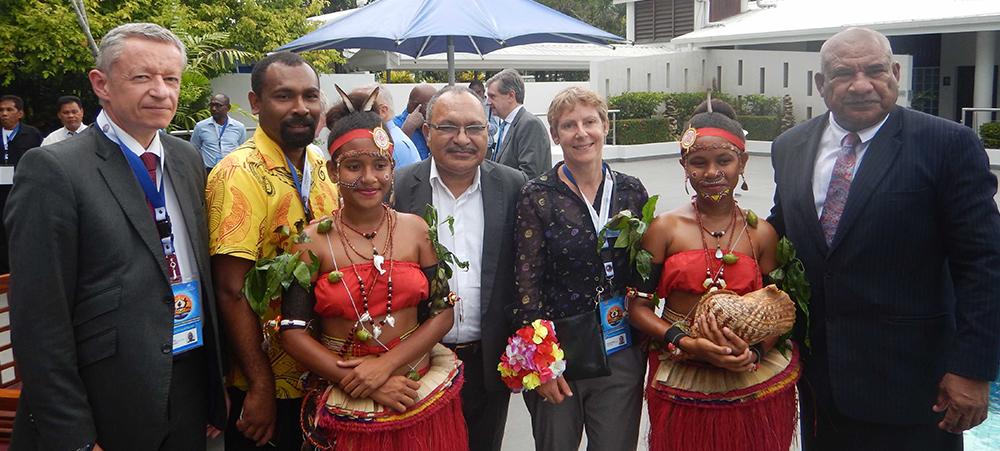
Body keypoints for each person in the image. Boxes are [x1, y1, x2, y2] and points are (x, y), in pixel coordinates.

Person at [769, 27, 1000, 451]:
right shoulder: (791, 147)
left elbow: (984, 263)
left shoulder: (947, 144)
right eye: (843, 74)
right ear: (821, 85)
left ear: (895, 72)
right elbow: (780, 236)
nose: (861, 85)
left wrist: (972, 369)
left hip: (916, 387)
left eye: (875, 70)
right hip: (822, 382)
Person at [4, 22, 226, 450]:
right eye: (143, 77)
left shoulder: (185, 158)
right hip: (106, 397)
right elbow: (38, 320)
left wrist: (215, 393)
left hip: (188, 382)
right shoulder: (54, 169)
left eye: (171, 78)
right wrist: (73, 436)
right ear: (101, 84)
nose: (161, 91)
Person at [279, 87, 466, 450]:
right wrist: (368, 381)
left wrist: (387, 365)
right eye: (353, 166)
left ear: (392, 168)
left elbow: (443, 313)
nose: (369, 178)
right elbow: (292, 332)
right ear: (333, 170)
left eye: (380, 165)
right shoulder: (310, 241)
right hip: (349, 399)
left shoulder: (417, 230)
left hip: (417, 392)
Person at [627, 98, 797, 451]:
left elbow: (781, 311)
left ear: (743, 163)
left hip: (748, 374)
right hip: (680, 364)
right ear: (684, 165)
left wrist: (753, 352)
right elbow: (637, 308)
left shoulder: (762, 234)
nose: (711, 172)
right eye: (698, 162)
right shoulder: (664, 228)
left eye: (724, 160)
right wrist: (685, 341)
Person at [206, 51, 339, 451]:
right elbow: (231, 290)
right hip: (267, 384)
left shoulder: (320, 163)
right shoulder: (236, 174)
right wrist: (260, 386)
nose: (301, 108)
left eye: (310, 96)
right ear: (255, 103)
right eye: (284, 96)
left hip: (323, 374)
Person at [511, 87, 647, 451]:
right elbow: (526, 284)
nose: (581, 132)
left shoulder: (631, 191)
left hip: (620, 347)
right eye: (568, 125)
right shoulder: (537, 195)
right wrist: (540, 366)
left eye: (590, 122)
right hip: (558, 353)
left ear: (605, 126)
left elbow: (644, 272)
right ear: (555, 134)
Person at [394, 86, 527, 451]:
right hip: (417, 362)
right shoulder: (401, 188)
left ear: (489, 132)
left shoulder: (513, 185)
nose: (463, 140)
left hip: (488, 362)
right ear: (426, 133)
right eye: (448, 128)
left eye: (475, 128)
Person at [485, 69, 551, 180]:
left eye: (492, 96)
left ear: (511, 96)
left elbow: (530, 175)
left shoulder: (530, 125)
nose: (488, 102)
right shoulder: (505, 125)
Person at [352, 84, 420, 168]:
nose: (353, 116)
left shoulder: (395, 145)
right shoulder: (383, 140)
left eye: (361, 109)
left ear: (383, 111)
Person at [191, 93, 248, 173]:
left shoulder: (239, 127)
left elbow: (242, 150)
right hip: (208, 171)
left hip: (231, 171)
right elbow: (194, 149)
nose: (214, 109)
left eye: (218, 105)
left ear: (228, 108)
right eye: (212, 105)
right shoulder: (201, 126)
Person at [392, 83, 436, 159]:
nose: (435, 110)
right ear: (416, 106)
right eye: (431, 106)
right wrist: (408, 129)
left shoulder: (432, 124)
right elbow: (389, 155)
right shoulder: (393, 126)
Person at [0, 94, 42, 167]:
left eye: (9, 110)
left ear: (20, 114)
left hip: (24, 176)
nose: (4, 113)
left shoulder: (32, 133)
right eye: (1, 110)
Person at [468, 79, 500, 153]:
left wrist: (485, 124)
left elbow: (495, 129)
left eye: (478, 92)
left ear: (483, 91)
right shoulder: (466, 105)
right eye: (473, 93)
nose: (476, 95)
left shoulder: (490, 105)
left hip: (486, 147)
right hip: (470, 146)